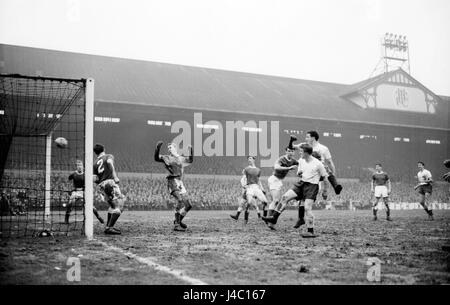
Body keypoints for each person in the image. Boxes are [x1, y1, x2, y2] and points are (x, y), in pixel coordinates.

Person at [263, 143, 327, 237]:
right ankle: (274, 218)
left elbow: (325, 178)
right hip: (301, 183)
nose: (299, 153)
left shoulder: (318, 164)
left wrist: (325, 191)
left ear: (306, 153)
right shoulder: (301, 160)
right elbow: (299, 173)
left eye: (301, 151)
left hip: (311, 186)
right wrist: (300, 173)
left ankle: (310, 231)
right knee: (285, 197)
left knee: (307, 208)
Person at [154, 141, 193, 231]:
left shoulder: (181, 158)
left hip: (179, 182)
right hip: (172, 181)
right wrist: (157, 148)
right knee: (180, 200)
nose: (169, 149)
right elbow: (156, 158)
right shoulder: (166, 158)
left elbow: (190, 160)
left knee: (188, 205)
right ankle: (177, 225)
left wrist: (191, 151)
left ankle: (178, 220)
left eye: (170, 147)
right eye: (168, 148)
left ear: (175, 148)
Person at [292, 131, 343, 197]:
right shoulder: (305, 146)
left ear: (313, 138)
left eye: (307, 137)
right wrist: (333, 178)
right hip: (310, 171)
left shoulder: (321, 148)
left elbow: (330, 163)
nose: (305, 139)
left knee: (325, 169)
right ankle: (334, 186)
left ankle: (333, 187)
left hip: (316, 171)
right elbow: (292, 147)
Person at [93, 144, 125, 235]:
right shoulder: (108, 156)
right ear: (104, 149)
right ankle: (109, 228)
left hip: (101, 185)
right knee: (119, 206)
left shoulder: (95, 163)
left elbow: (95, 179)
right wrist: (115, 176)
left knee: (113, 206)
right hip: (110, 183)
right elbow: (110, 163)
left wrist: (101, 186)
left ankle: (109, 226)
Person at [267, 136, 298, 219]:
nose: (290, 152)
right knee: (276, 200)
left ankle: (269, 217)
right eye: (288, 151)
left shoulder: (294, 161)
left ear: (294, 152)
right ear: (286, 152)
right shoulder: (281, 159)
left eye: (292, 151)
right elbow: (276, 167)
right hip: (274, 179)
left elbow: (302, 164)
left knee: (277, 201)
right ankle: (269, 218)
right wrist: (288, 168)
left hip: (279, 181)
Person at [66, 160, 104, 224]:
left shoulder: (86, 174)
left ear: (83, 166)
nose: (79, 167)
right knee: (70, 203)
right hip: (75, 192)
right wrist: (69, 189)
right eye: (78, 165)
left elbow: (93, 180)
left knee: (90, 206)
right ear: (76, 167)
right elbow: (68, 180)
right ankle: (66, 219)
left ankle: (99, 217)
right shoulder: (73, 174)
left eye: (80, 165)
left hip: (84, 192)